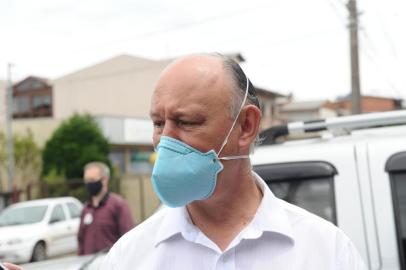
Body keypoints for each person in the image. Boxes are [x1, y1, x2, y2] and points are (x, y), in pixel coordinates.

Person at [100, 54, 367, 269]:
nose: (165, 141)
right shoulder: (129, 257)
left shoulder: (327, 251)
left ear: (247, 126)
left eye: (186, 122)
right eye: (158, 124)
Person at [78, 161, 135, 255]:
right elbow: (81, 240)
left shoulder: (118, 205)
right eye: (86, 180)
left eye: (92, 180)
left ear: (105, 179)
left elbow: (128, 238)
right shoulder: (86, 208)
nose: (88, 184)